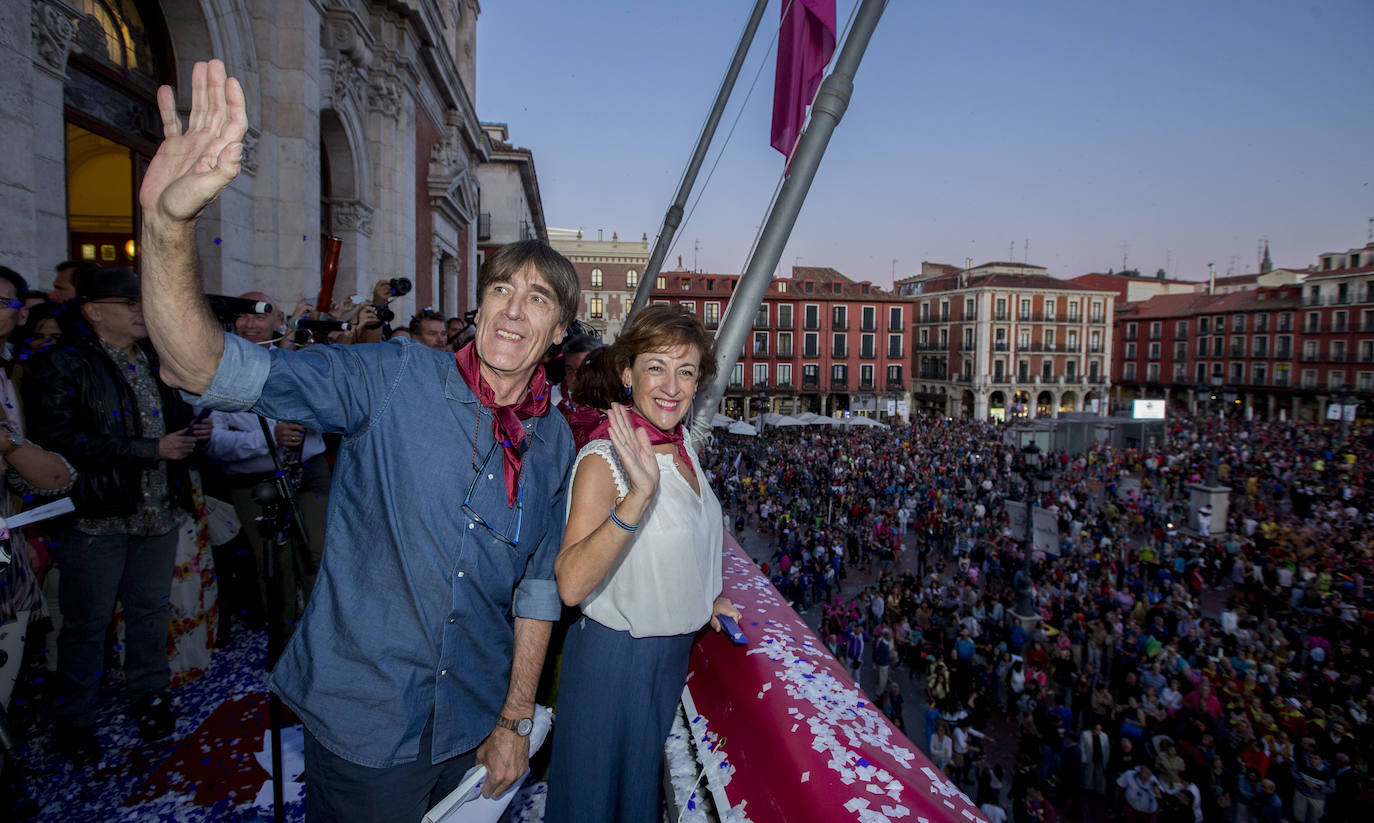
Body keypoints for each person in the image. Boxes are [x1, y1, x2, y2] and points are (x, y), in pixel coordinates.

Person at [136, 60, 579, 820]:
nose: (512, 309)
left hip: (473, 727)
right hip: (366, 724)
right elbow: (200, 363)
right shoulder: (393, 376)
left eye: (536, 297)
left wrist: (513, 717)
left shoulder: (557, 438)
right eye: (501, 289)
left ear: (559, 331)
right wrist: (166, 226)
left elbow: (539, 587)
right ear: (479, 306)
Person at [545, 304, 738, 823]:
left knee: (635, 803)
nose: (671, 385)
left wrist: (708, 594)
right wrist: (637, 499)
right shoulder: (606, 459)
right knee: (596, 806)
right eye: (656, 366)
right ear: (627, 374)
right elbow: (569, 584)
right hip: (615, 664)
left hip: (666, 660)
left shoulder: (679, 447)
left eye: (686, 370)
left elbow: (685, 538)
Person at [23, 266, 211, 765]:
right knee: (87, 622)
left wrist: (192, 435)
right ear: (93, 310)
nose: (140, 312)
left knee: (150, 612)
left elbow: (175, 421)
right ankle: (76, 720)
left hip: (157, 510)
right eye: (128, 304)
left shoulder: (153, 359)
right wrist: (150, 449)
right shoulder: (60, 363)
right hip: (97, 514)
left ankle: (148, 694)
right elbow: (59, 440)